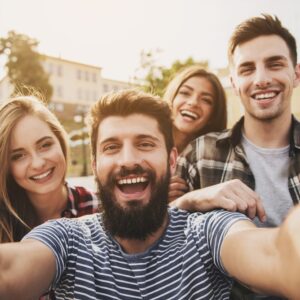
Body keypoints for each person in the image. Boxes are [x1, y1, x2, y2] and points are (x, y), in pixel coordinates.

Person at [1, 89, 300, 299]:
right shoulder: (66, 238)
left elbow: (274, 254)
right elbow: (12, 269)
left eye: (145, 143)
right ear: (94, 165)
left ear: (172, 160)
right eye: (111, 147)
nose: (128, 159)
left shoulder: (207, 231)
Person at [173, 14, 300, 299]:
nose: (261, 79)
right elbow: (157, 243)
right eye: (247, 69)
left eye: (275, 64)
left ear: (296, 74)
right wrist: (188, 201)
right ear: (233, 82)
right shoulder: (200, 153)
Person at [0, 95, 99, 243]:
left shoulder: (99, 208)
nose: (37, 163)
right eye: (18, 156)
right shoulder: (4, 223)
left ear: (60, 141)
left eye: (45, 145)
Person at [164, 65, 227, 201]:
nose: (193, 102)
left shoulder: (212, 163)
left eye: (206, 100)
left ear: (213, 115)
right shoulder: (146, 146)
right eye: (185, 93)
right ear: (172, 98)